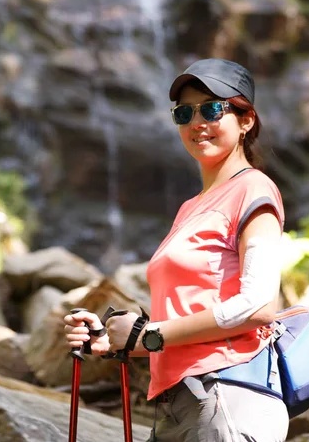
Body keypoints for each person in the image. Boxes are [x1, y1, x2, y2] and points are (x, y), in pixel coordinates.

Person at [64, 58, 289, 442]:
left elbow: (257, 304)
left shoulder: (254, 190)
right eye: (185, 112)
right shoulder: (191, 207)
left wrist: (151, 334)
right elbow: (184, 323)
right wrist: (118, 339)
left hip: (226, 396)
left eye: (213, 108)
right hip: (179, 403)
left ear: (246, 120)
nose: (197, 122)